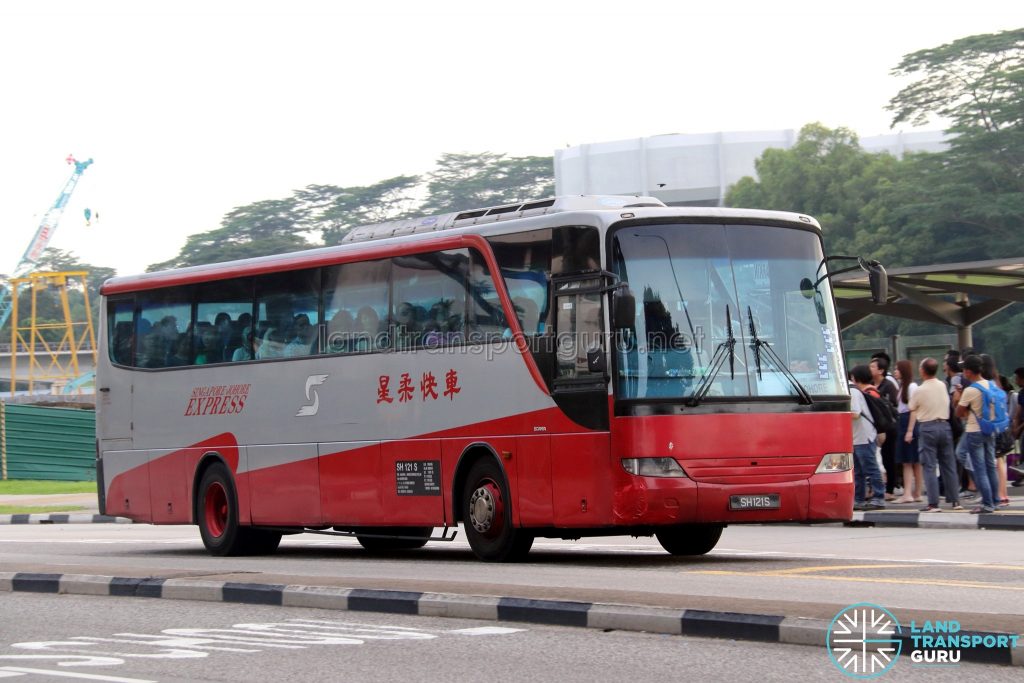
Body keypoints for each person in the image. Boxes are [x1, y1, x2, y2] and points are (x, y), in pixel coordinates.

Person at [907, 358, 961, 512]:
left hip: (927, 427)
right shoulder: (943, 385)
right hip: (945, 426)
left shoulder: (919, 390)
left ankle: (933, 503)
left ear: (922, 370)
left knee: (929, 466)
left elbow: (912, 407)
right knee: (948, 465)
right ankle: (955, 501)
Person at [956, 355, 1000, 513]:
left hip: (974, 431)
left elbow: (959, 412)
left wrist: (961, 397)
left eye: (964, 369)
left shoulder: (971, 390)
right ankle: (995, 500)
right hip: (990, 429)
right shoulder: (992, 384)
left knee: (979, 468)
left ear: (968, 372)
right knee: (990, 467)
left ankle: (987, 504)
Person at [850, 365, 886, 510]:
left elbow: (855, 414)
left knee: (870, 468)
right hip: (856, 437)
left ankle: (879, 497)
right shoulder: (853, 390)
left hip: (863, 437)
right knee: (858, 471)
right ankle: (859, 499)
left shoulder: (852, 392)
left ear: (854, 378)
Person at [870, 355, 900, 499]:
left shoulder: (888, 386)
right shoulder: (870, 384)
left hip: (889, 427)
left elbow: (893, 405)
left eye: (873, 367)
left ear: (881, 370)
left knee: (888, 457)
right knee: (878, 457)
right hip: (875, 427)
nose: (870, 369)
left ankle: (890, 489)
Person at [893, 359, 922, 503]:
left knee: (908, 461)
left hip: (908, 422)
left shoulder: (911, 387)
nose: (895, 372)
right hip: (905, 421)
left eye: (897, 369)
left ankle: (908, 493)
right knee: (913, 460)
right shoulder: (903, 386)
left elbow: (913, 410)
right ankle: (916, 493)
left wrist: (910, 431)